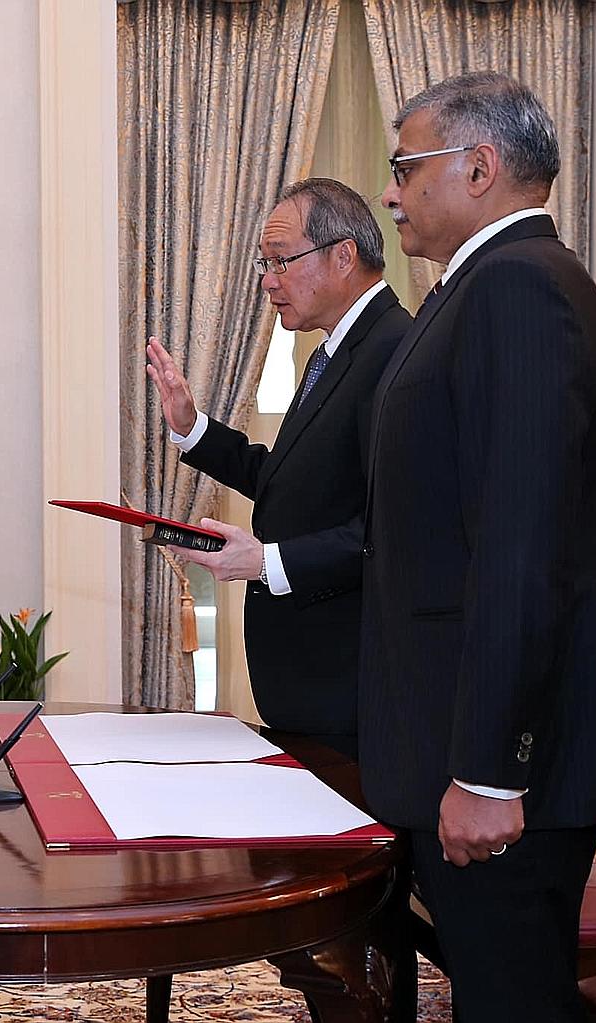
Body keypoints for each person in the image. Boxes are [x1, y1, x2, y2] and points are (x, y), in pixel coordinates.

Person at [362, 72, 596, 1019]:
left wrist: (488, 770)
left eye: (405, 166)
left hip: (503, 761)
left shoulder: (518, 288)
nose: (391, 192)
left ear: (478, 167)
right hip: (464, 741)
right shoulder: (473, 287)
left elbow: (525, 544)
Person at [148, 178, 411, 759]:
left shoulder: (395, 350)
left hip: (348, 682)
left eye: (281, 261)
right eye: (264, 264)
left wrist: (266, 560)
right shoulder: (333, 350)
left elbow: (393, 527)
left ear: (344, 256)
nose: (268, 281)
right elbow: (292, 479)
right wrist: (194, 429)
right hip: (310, 684)